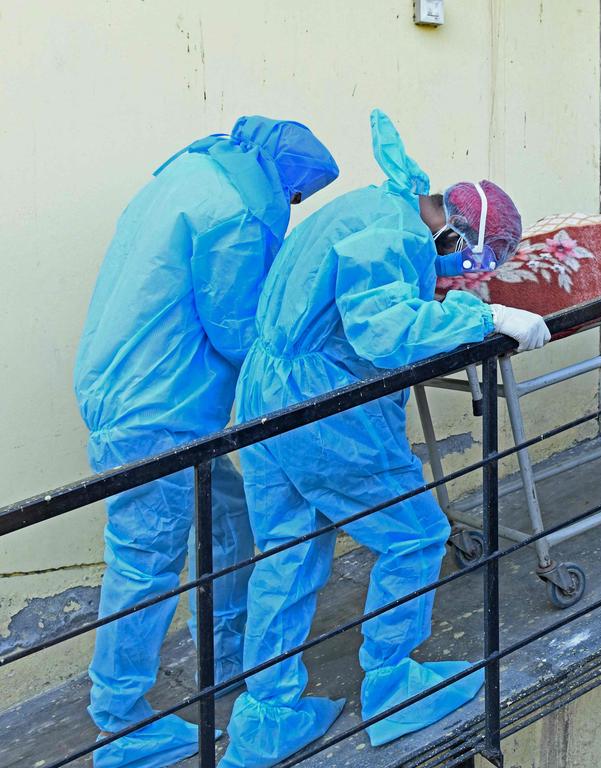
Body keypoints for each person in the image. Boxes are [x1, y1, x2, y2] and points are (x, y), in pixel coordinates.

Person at [220, 109, 548, 767]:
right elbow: (383, 330)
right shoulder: (392, 236)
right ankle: (393, 687)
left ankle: (269, 718)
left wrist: (458, 308)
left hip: (265, 393)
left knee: (288, 547)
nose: (462, 269)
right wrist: (485, 314)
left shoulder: (380, 206)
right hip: (319, 406)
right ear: (456, 229)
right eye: (473, 257)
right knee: (416, 534)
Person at [73, 117, 338, 768]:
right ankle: (120, 727)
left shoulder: (191, 174)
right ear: (289, 182)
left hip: (132, 388)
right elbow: (240, 332)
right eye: (300, 197)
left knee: (229, 515)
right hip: (160, 409)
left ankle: (221, 657)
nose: (295, 208)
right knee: (146, 565)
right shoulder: (241, 215)